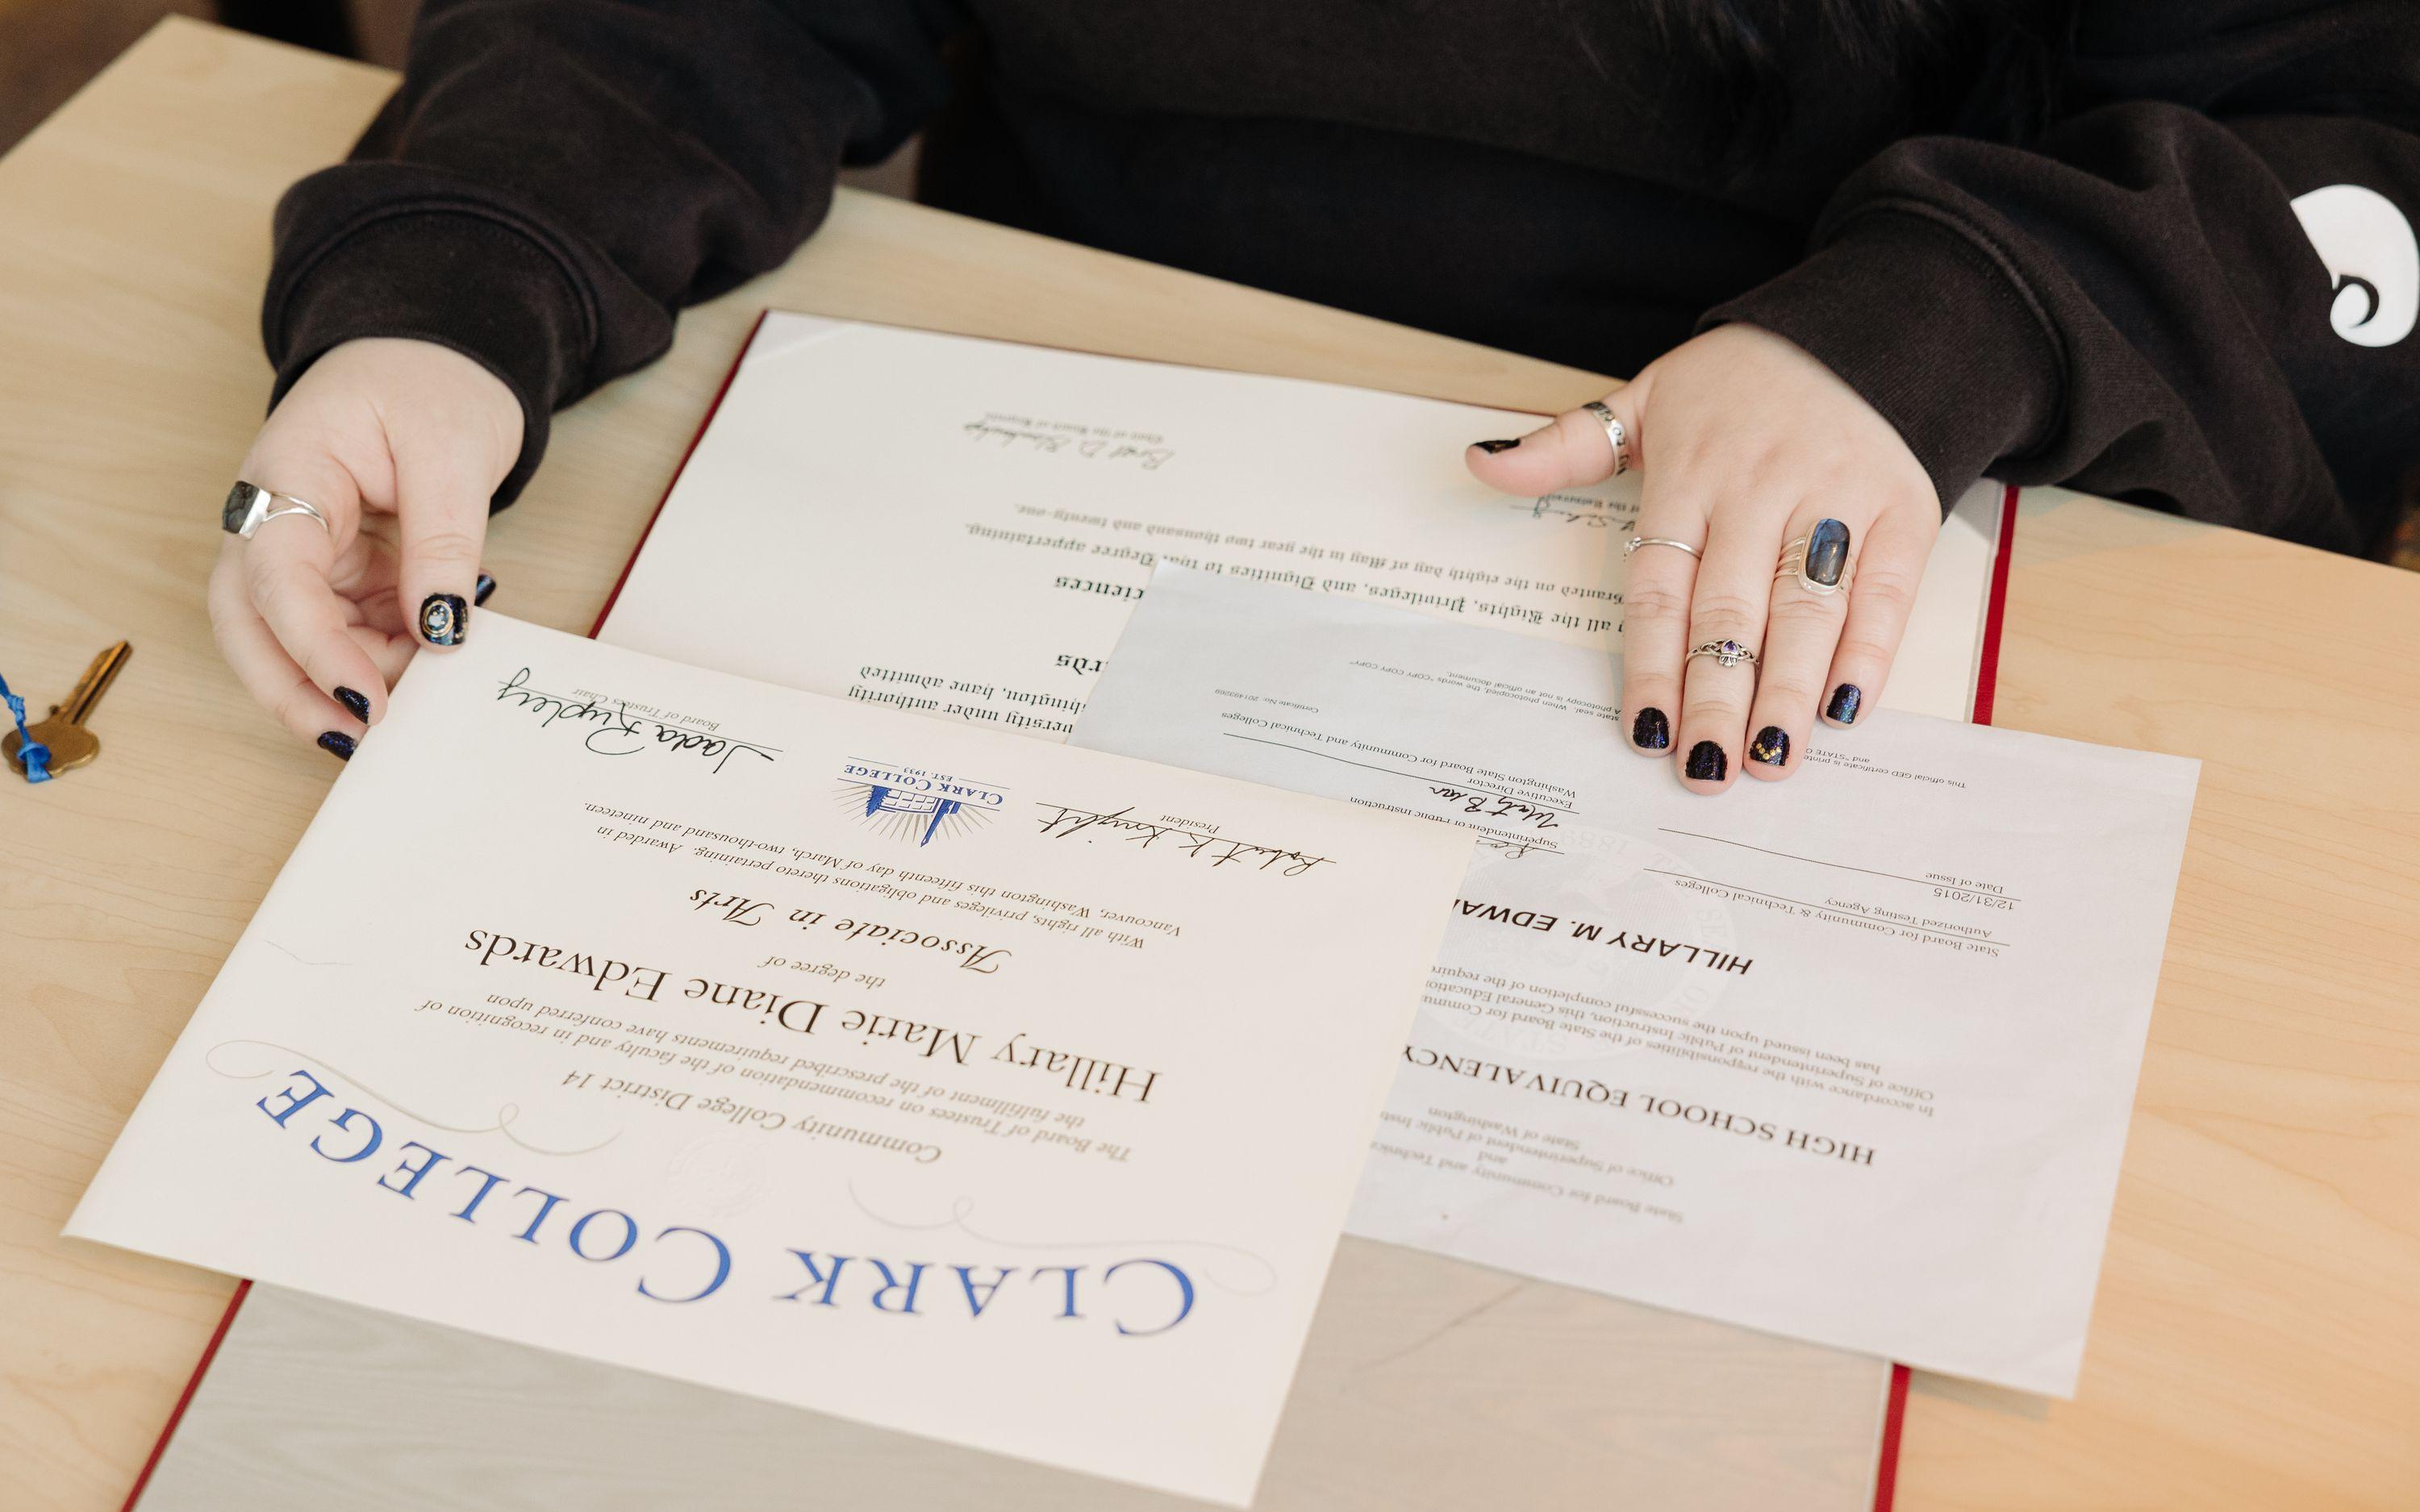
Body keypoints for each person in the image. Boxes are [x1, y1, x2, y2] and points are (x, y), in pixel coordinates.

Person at [211, 0, 2420, 789]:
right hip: (1056, 531)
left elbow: (2346, 166)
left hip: (1833, 563)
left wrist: (1952, 319)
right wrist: (449, 293)